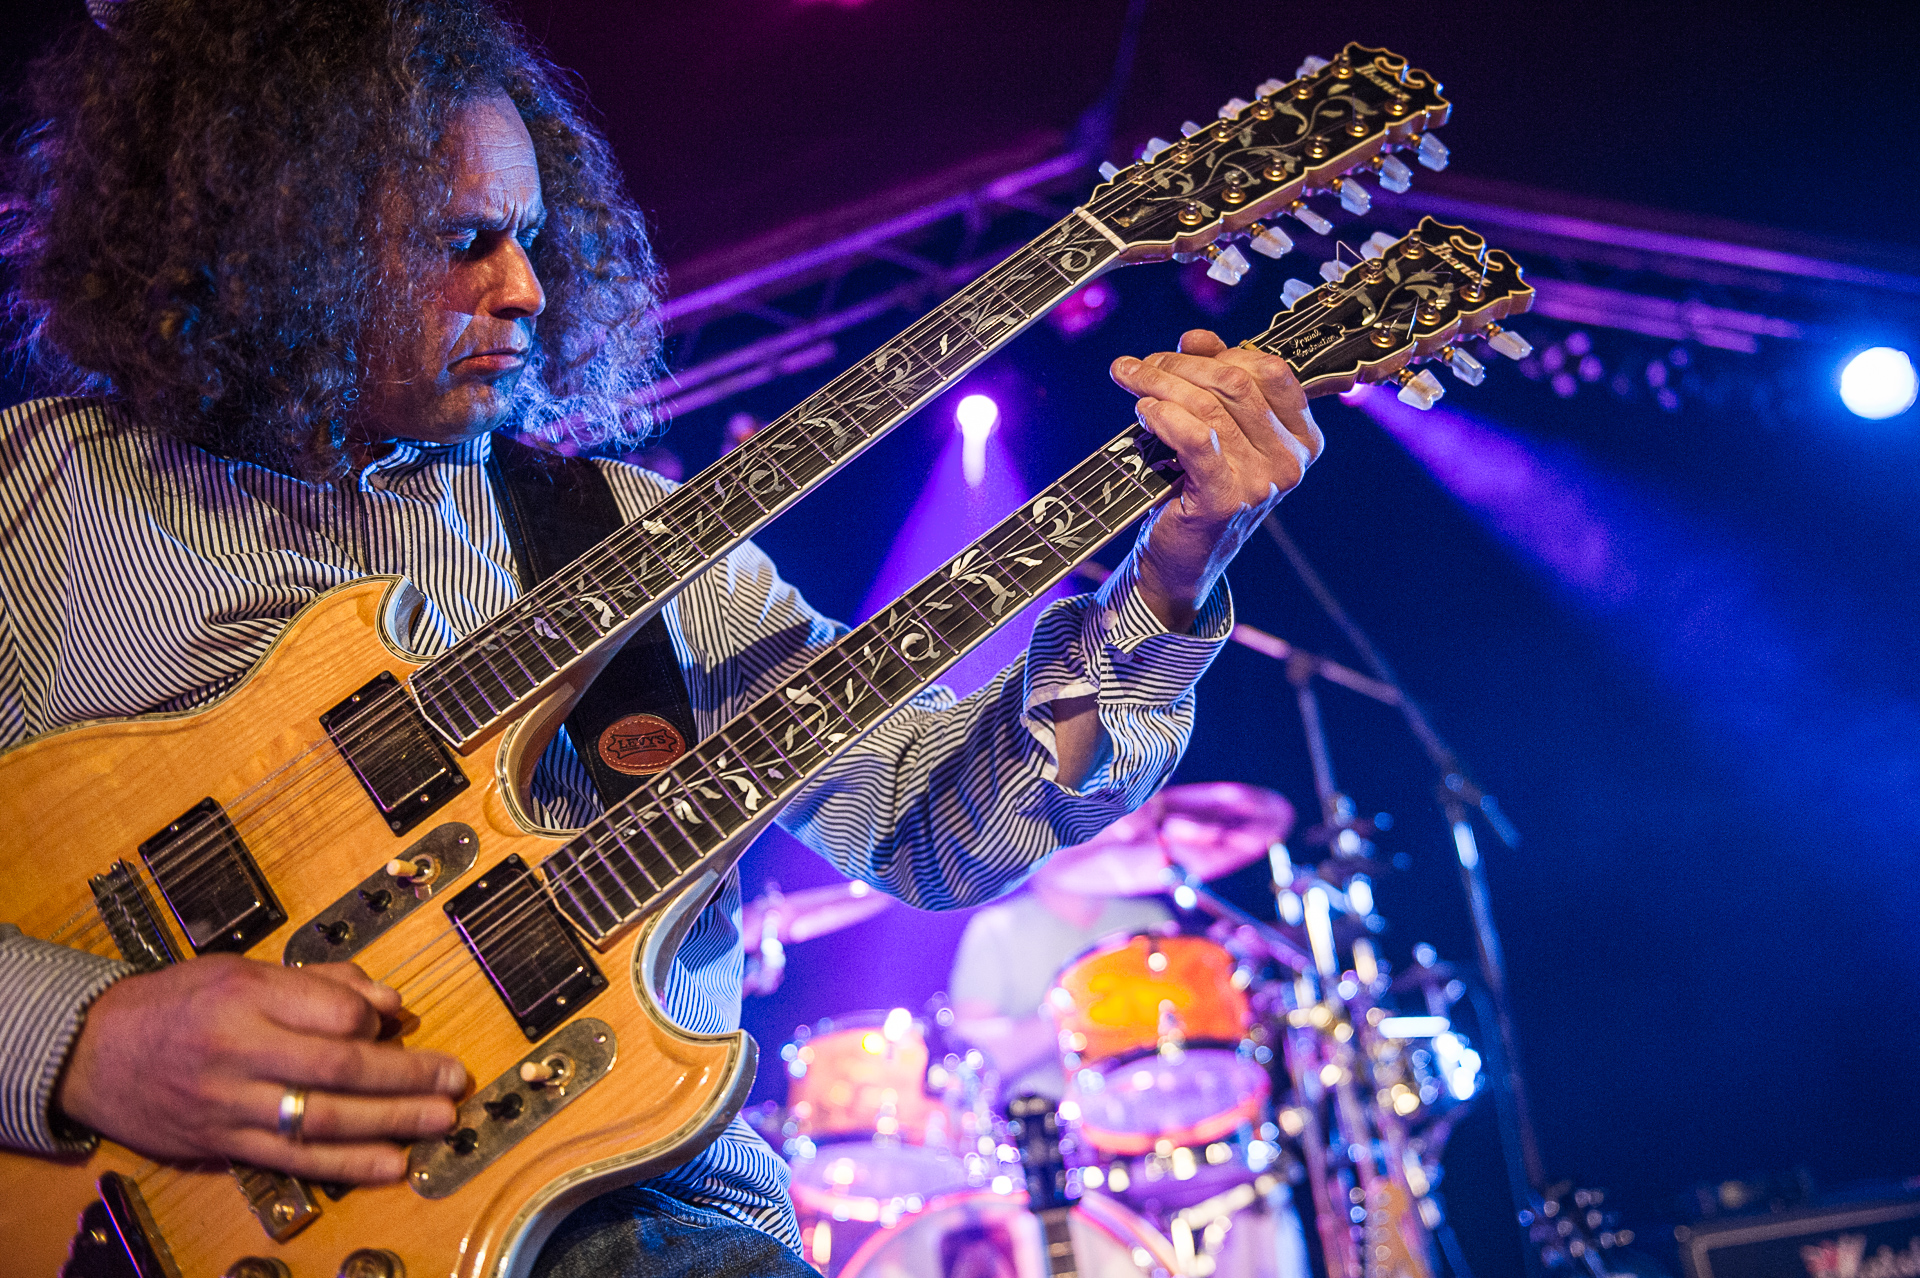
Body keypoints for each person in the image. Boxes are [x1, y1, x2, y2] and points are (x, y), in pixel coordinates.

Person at [0, 1, 1323, 1274]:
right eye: (465, 242)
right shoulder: (42, 498)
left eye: (529, 236)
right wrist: (86, 1040)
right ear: (289, 240)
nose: (524, 287)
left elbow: (931, 827)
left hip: (639, 1224)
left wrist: (1170, 577)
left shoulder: (622, 537)